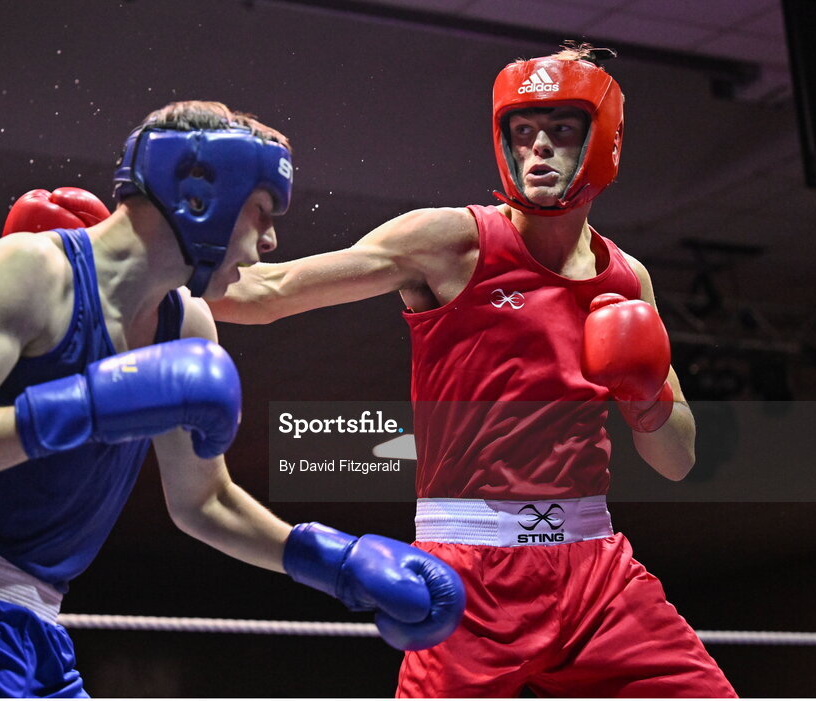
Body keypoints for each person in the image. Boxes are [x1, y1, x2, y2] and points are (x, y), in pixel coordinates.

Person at [0, 101, 465, 698]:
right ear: (201, 197)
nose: (268, 241)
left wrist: (337, 563)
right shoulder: (29, 270)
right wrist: (91, 403)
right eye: (262, 212)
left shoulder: (186, 325)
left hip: (33, 635)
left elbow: (203, 502)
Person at [209, 47, 738, 697]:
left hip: (597, 573)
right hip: (469, 577)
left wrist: (645, 395)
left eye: (561, 130)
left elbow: (677, 459)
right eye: (523, 132)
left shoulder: (628, 278)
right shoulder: (449, 242)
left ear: (603, 142)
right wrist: (115, 263)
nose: (538, 149)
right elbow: (268, 292)